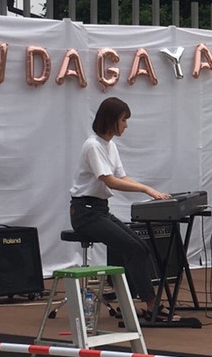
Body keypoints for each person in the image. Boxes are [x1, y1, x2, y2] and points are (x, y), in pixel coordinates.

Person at [69, 96, 170, 317]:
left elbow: (122, 176)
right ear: (111, 119)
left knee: (141, 247)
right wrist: (146, 190)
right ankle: (149, 304)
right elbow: (110, 181)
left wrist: (151, 189)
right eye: (124, 120)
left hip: (99, 210)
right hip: (85, 213)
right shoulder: (93, 146)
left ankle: (136, 300)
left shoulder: (110, 145)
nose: (126, 125)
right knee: (133, 248)